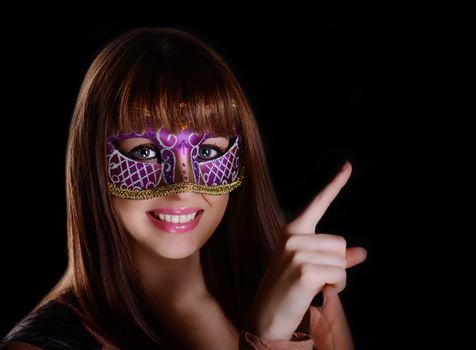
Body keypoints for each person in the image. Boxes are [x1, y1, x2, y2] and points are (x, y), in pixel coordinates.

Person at [0, 27, 367, 350]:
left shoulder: (306, 307)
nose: (182, 186)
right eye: (145, 152)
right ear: (93, 162)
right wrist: (270, 335)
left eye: (207, 151)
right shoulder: (45, 346)